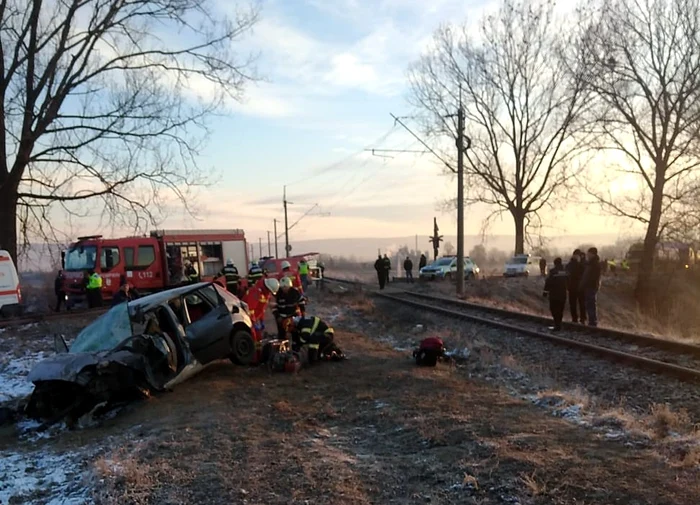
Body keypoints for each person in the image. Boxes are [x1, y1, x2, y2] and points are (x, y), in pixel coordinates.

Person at [543, 257, 568, 331]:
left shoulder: (552, 272)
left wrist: (545, 292)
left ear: (554, 263)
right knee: (560, 310)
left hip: (554, 294)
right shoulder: (565, 272)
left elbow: (548, 282)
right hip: (563, 294)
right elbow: (569, 282)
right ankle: (559, 324)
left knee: (553, 309)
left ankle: (557, 324)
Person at [580, 247, 601, 327]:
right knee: (590, 304)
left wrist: (584, 284)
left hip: (591, 286)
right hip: (591, 286)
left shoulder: (594, 264)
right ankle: (592, 321)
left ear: (592, 254)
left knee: (591, 304)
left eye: (589, 253)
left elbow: (589, 276)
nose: (587, 255)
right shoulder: (592, 263)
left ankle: (593, 322)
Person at [565, 249, 586, 324]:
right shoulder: (580, 265)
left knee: (574, 303)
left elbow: (566, 276)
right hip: (578, 287)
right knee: (581, 303)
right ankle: (581, 319)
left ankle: (576, 318)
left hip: (573, 287)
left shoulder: (569, 265)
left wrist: (567, 286)